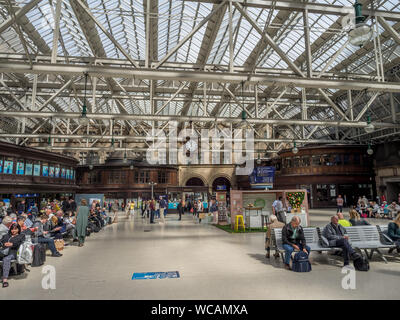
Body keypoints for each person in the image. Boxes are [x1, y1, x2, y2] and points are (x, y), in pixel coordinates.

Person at [0, 223, 26, 288]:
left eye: (15, 229)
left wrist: (12, 244)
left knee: (6, 259)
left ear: (18, 229)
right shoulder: (6, 235)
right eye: (12, 229)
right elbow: (1, 242)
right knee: (4, 257)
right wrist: (4, 244)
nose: (13, 231)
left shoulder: (21, 236)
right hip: (3, 251)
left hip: (13, 252)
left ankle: (4, 280)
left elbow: (21, 243)